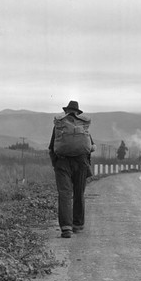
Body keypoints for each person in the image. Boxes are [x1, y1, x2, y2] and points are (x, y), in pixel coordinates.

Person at [48, 100, 96, 238]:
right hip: (81, 163)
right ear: (77, 112)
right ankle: (78, 224)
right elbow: (90, 147)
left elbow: (52, 148)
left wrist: (55, 164)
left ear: (66, 111)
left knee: (64, 194)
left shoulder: (59, 125)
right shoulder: (82, 124)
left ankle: (66, 228)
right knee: (79, 193)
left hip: (62, 163)